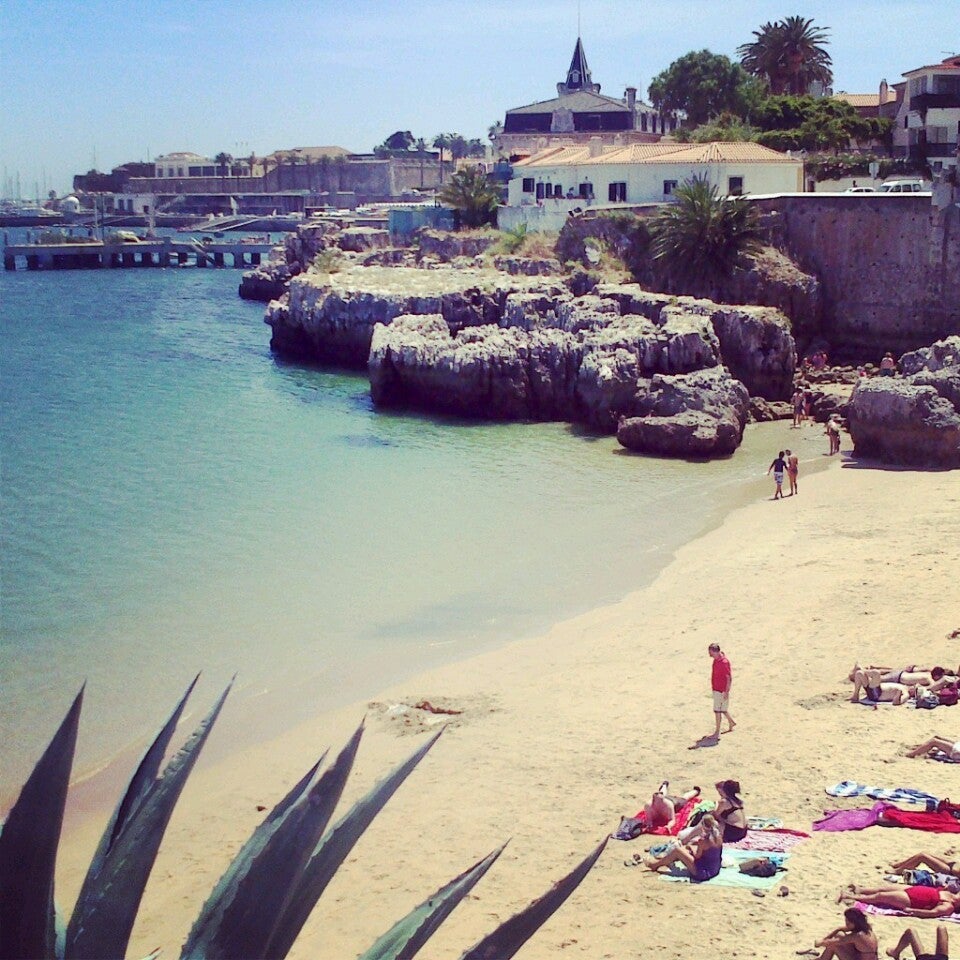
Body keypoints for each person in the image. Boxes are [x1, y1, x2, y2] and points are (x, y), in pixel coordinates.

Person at [644, 813, 723, 881]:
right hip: (715, 868)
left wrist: (691, 849)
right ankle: (667, 860)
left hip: (702, 872)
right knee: (686, 849)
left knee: (678, 851)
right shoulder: (718, 836)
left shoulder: (703, 841)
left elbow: (697, 856)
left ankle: (655, 865)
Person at [679, 780, 747, 843]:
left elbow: (715, 815)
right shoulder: (738, 801)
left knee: (706, 821)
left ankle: (686, 839)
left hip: (732, 832)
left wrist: (715, 807)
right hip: (742, 831)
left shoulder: (724, 802)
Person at [840, 884, 960, 918]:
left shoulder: (948, 907)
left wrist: (912, 910)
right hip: (915, 889)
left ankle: (852, 897)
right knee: (884, 887)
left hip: (913, 900)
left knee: (881, 896)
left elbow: (932, 913)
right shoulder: (951, 893)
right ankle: (861, 889)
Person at [813, 907, 879, 960]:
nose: (846, 924)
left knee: (833, 945)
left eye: (848, 923)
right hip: (864, 956)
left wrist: (820, 942)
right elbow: (840, 929)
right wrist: (825, 938)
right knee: (839, 934)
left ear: (854, 922)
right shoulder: (866, 927)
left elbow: (833, 942)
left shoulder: (858, 936)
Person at [708, 643, 734, 739]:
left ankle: (717, 732)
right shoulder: (716, 660)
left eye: (711, 652)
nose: (710, 655)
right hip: (716, 688)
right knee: (722, 709)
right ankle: (731, 722)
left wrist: (726, 692)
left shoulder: (724, 663)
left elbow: (729, 678)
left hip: (721, 690)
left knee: (717, 710)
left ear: (716, 652)